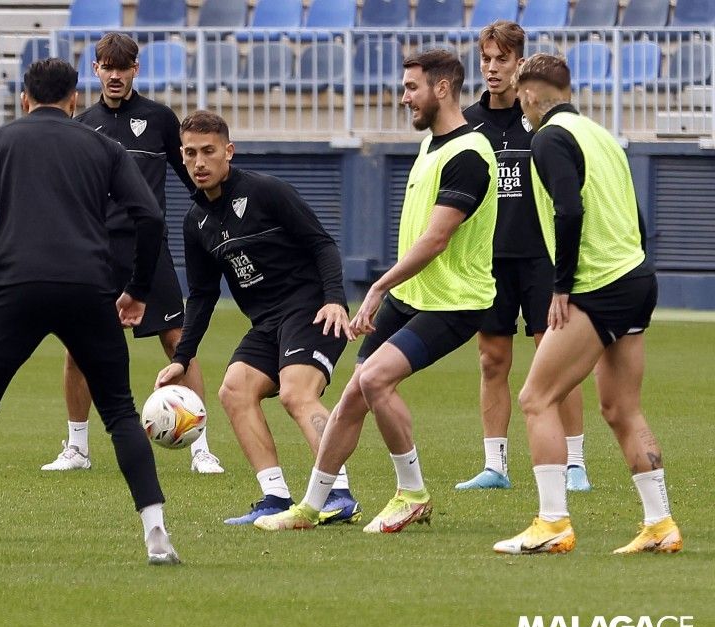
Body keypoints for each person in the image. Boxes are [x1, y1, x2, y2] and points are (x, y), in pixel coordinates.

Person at [0, 58, 180, 566]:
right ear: (75, 100)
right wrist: (138, 289)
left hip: (16, 287)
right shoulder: (103, 145)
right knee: (121, 412)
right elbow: (148, 214)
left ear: (23, 99)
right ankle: (158, 538)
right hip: (89, 288)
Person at [254, 50, 497, 534]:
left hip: (456, 301)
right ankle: (312, 506)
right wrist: (389, 293)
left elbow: (436, 239)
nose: (403, 96)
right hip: (414, 296)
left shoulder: (469, 154)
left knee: (375, 380)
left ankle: (413, 494)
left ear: (442, 88)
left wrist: (378, 287)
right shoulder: (433, 144)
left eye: (411, 87)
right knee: (349, 400)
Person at [493, 54, 681, 555]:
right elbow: (637, 216)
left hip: (597, 286)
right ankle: (660, 524)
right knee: (621, 408)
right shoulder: (602, 136)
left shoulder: (548, 137)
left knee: (536, 398)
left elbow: (568, 208)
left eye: (519, 94)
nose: (520, 105)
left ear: (530, 93)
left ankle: (552, 522)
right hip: (637, 278)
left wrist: (561, 285)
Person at [155, 109, 362, 526]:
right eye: (190, 153)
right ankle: (275, 496)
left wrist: (336, 300)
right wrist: (182, 357)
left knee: (295, 393)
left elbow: (322, 244)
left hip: (311, 309)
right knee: (233, 390)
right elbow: (202, 294)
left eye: (208, 151)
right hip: (267, 322)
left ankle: (339, 492)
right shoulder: (195, 221)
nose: (199, 162)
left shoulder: (267, 192)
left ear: (228, 152)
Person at [41, 32, 223, 475]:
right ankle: (77, 449)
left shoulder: (160, 119)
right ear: (97, 70)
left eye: (124, 67)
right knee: (78, 348)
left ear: (136, 70)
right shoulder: (81, 125)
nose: (116, 74)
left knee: (179, 341)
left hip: (148, 250)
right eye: (108, 66)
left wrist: (219, 224)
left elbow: (192, 179)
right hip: (95, 252)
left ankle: (201, 448)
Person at [456, 20, 590, 492]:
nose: (492, 68)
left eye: (502, 59)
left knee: (552, 359)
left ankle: (574, 462)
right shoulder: (467, 121)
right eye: (485, 59)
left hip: (539, 257)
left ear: (519, 63)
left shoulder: (542, 120)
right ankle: (495, 465)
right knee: (492, 360)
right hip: (488, 260)